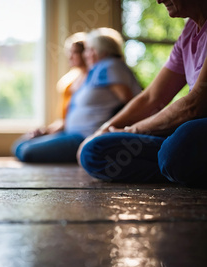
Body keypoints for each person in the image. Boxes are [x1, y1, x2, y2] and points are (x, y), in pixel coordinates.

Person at [78, 0, 207, 187]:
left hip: (196, 128)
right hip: (190, 134)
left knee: (179, 145)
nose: (159, 0)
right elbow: (152, 97)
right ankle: (177, 167)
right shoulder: (189, 32)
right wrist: (103, 129)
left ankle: (175, 162)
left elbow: (195, 104)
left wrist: (133, 129)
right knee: (95, 150)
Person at [12, 28, 141, 162]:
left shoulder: (110, 66)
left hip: (85, 136)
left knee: (25, 151)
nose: (86, 54)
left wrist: (107, 132)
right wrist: (47, 130)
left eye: (90, 49)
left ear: (104, 51)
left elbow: (130, 103)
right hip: (71, 133)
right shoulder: (96, 71)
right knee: (20, 146)